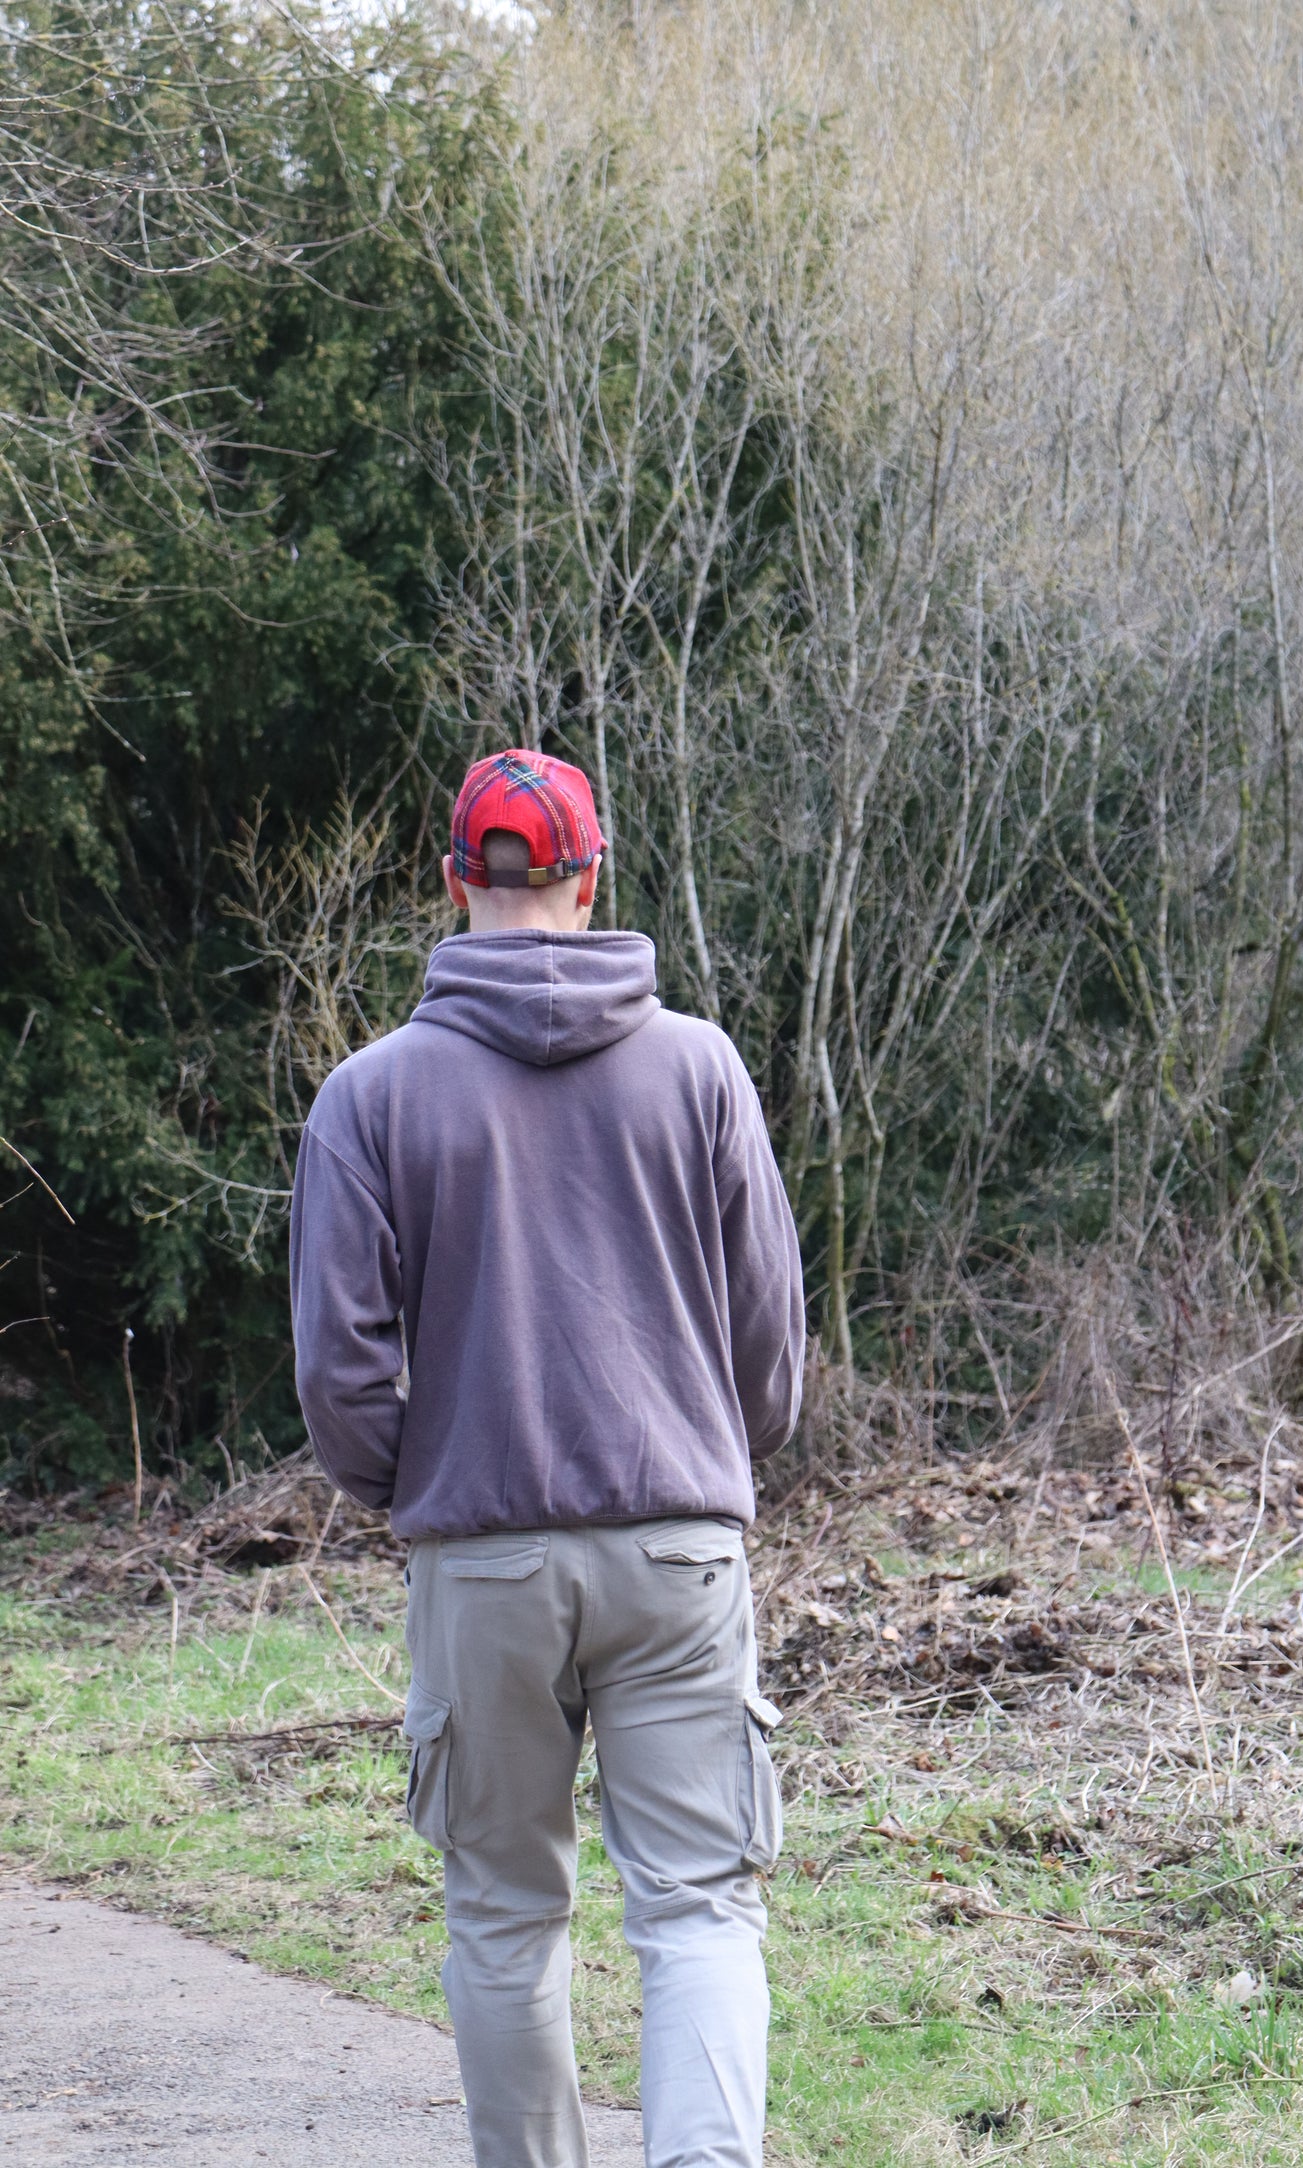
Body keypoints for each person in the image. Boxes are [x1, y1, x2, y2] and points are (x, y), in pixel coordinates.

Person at [289, 747, 805, 2168]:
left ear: (455, 880)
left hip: (483, 1553)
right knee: (697, 1905)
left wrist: (422, 1489)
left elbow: (340, 1365)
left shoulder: (371, 1095)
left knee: (507, 1915)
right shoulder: (700, 1068)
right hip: (679, 1547)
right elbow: (767, 1334)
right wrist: (720, 1449)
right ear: (590, 880)